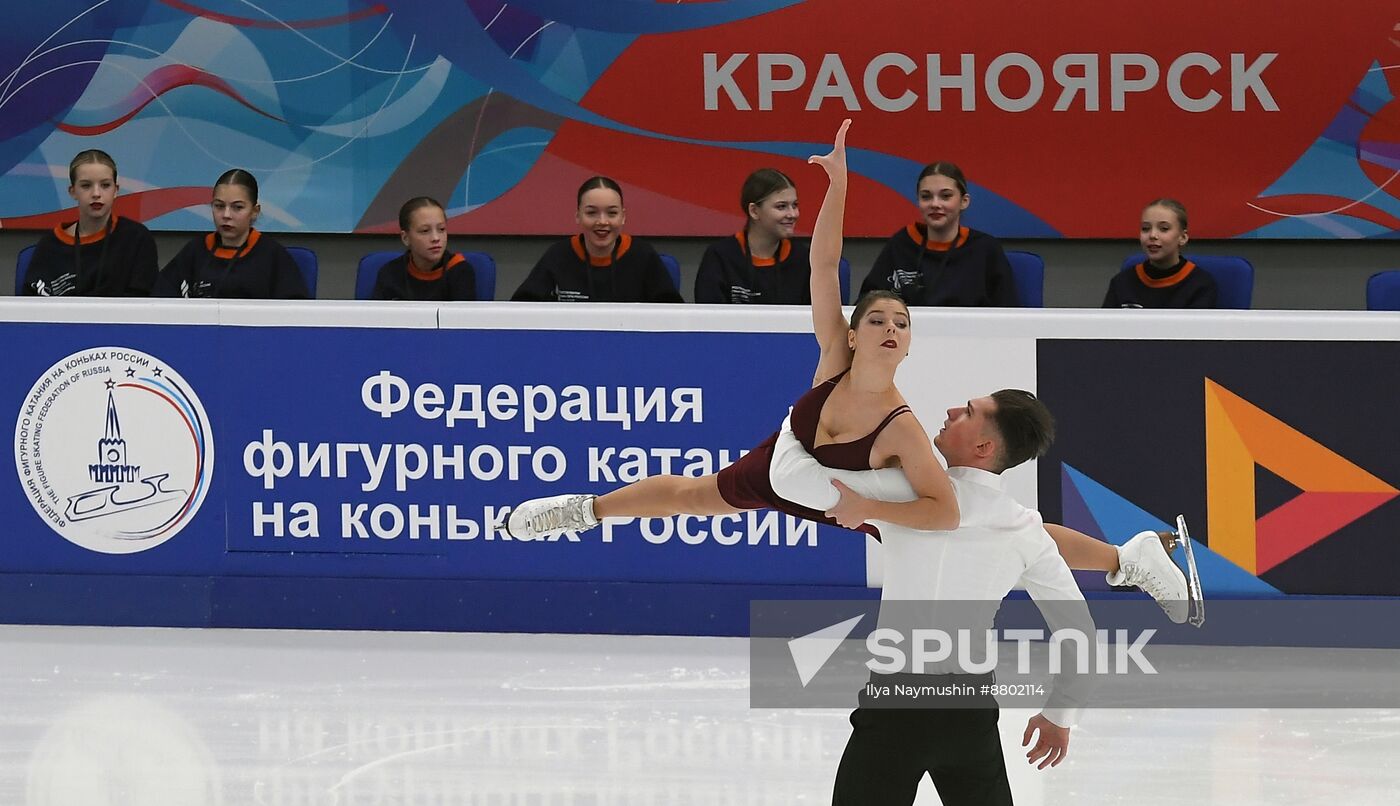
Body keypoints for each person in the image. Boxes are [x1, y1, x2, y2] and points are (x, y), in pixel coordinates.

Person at [505, 122, 1188, 619]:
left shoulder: (902, 432)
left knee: (998, 521)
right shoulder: (833, 356)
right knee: (691, 496)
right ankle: (581, 510)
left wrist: (863, 507)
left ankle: (1129, 561)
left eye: (903, 324)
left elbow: (943, 508)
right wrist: (839, 185)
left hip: (854, 499)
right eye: (880, 320)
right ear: (853, 335)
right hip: (786, 463)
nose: (892, 328)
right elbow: (823, 262)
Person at [765, 396, 1091, 805]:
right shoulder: (1026, 529)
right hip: (969, 715)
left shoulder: (903, 492)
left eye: (969, 413)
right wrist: (1060, 715)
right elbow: (1078, 629)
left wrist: (797, 417)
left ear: (984, 447)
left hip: (893, 710)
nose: (953, 411)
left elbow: (789, 481)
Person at [858, 161, 1017, 306]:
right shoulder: (901, 245)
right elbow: (866, 306)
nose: (935, 204)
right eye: (926, 197)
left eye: (946, 196)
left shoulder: (986, 249)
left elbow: (1010, 316)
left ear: (964, 201)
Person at [511, 176, 682, 303]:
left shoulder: (642, 255)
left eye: (612, 213)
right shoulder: (558, 255)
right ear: (578, 216)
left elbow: (672, 314)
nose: (602, 221)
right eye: (591, 213)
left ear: (623, 217)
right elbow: (522, 309)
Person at [152, 169, 308, 299]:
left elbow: (295, 314)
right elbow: (161, 297)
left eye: (237, 207)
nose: (226, 215)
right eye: (219, 206)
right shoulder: (195, 250)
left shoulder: (273, 256)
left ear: (255, 211)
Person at [22, 149, 158, 297]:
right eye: (86, 186)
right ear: (72, 191)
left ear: (116, 190)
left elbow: (145, 303)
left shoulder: (136, 238)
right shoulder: (50, 245)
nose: (96, 194)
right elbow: (33, 307)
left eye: (105, 185)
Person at [694, 168, 812, 304]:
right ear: (754, 211)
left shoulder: (804, 259)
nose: (792, 214)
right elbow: (709, 318)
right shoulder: (720, 256)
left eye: (795, 205)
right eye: (781, 207)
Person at [1103, 199, 1217, 308]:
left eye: (1164, 229)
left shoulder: (1200, 285)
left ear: (1182, 237)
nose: (1152, 235)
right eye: (1145, 228)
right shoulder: (1122, 282)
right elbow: (1104, 326)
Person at [370, 197, 477, 301]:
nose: (436, 238)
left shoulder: (459, 271)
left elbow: (462, 318)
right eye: (425, 231)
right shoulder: (390, 273)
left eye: (441, 229)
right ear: (406, 238)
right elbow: (375, 317)